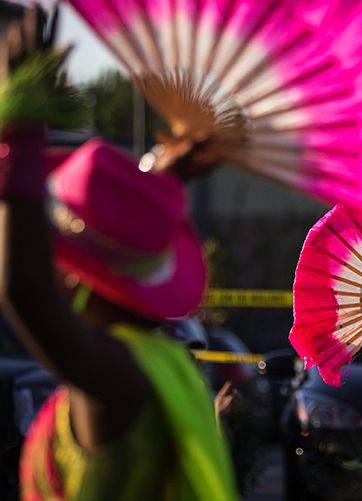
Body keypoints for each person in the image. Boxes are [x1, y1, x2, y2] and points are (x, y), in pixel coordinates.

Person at [0, 8, 238, 499]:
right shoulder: (159, 362)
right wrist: (161, 177)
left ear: (77, 277)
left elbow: (23, 287)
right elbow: (123, 229)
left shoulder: (114, 376)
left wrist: (19, 132)